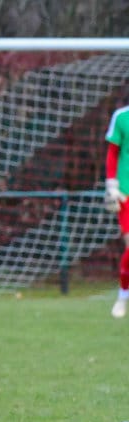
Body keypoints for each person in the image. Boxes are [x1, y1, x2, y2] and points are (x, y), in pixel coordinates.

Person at [105, 103, 129, 318]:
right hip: (126, 192)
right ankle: (123, 295)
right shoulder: (122, 117)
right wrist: (111, 185)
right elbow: (113, 153)